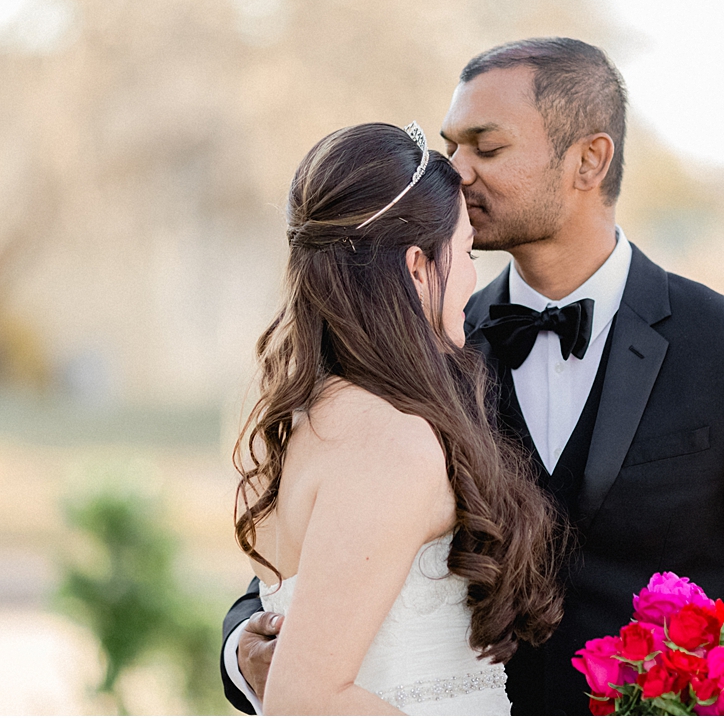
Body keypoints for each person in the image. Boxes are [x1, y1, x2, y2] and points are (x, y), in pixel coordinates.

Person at [223, 39, 724, 715]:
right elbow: (311, 555)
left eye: (487, 147)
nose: (457, 171)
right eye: (452, 145)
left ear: (588, 159)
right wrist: (246, 644)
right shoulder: (419, 349)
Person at [228, 121, 564, 715]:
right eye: (463, 252)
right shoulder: (390, 440)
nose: (471, 276)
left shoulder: (317, 414)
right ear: (416, 266)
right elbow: (305, 696)